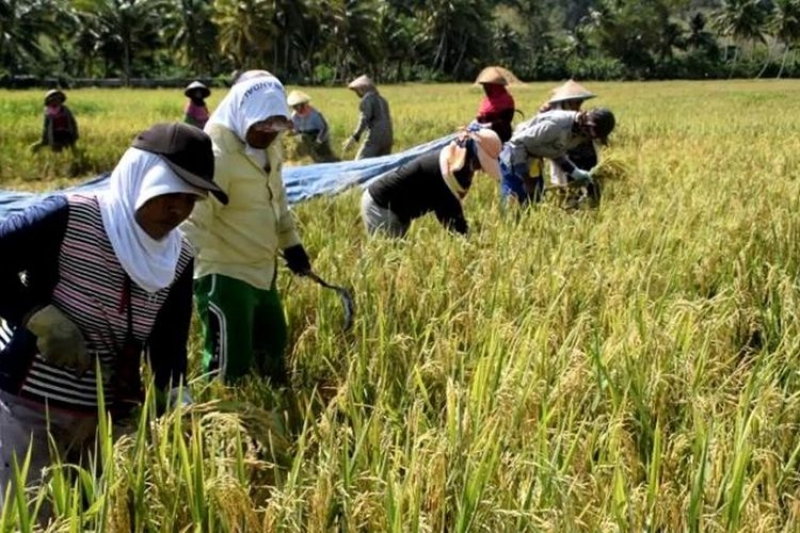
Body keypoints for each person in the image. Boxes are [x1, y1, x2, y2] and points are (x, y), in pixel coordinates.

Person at [0, 122, 226, 514]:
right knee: (25, 514)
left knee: (94, 514)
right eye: (168, 193)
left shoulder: (178, 257)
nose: (178, 208)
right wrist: (35, 315)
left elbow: (168, 343)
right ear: (140, 178)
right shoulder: (71, 216)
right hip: (25, 406)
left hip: (103, 416)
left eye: (191, 198)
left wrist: (178, 400)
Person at [182, 72, 313, 385]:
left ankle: (271, 412)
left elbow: (277, 202)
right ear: (242, 114)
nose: (269, 134)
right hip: (225, 273)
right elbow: (196, 218)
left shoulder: (271, 150)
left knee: (273, 347)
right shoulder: (216, 155)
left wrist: (292, 245)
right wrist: (177, 270)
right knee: (231, 363)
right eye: (262, 126)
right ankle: (222, 421)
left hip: (262, 270)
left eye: (276, 126)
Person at [361, 127, 502, 238]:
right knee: (390, 259)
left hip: (399, 210)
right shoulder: (447, 171)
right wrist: (471, 243)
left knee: (398, 256)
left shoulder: (454, 163)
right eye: (480, 164)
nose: (481, 170)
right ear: (472, 155)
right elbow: (450, 216)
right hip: (381, 206)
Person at [499, 107, 616, 208]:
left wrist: (574, 172)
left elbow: (556, 151)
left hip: (533, 160)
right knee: (513, 201)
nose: (592, 137)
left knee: (534, 200)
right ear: (588, 122)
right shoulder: (557, 125)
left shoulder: (580, 133)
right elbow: (518, 142)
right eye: (593, 132)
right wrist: (525, 177)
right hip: (514, 158)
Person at [538, 80, 599, 190]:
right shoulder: (552, 115)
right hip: (564, 157)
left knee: (589, 183)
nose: (579, 105)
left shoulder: (580, 116)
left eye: (580, 102)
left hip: (582, 157)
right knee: (567, 187)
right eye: (576, 102)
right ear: (566, 102)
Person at [342, 75, 393, 160]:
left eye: (357, 90)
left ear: (362, 89)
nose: (357, 93)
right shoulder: (382, 99)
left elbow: (364, 119)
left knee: (360, 162)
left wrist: (354, 137)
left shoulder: (367, 99)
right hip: (388, 136)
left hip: (375, 136)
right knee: (382, 164)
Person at [287, 89, 339, 163]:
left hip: (319, 137)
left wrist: (318, 141)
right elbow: (296, 130)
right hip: (306, 138)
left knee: (326, 158)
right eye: (294, 106)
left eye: (297, 106)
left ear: (303, 104)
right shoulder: (294, 116)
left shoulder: (314, 114)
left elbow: (324, 128)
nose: (295, 108)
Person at [474, 67, 516, 143]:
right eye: (484, 86)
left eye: (487, 86)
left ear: (495, 87)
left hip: (499, 135)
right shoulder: (487, 100)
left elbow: (505, 122)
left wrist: (487, 126)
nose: (485, 89)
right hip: (483, 132)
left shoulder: (506, 100)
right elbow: (481, 117)